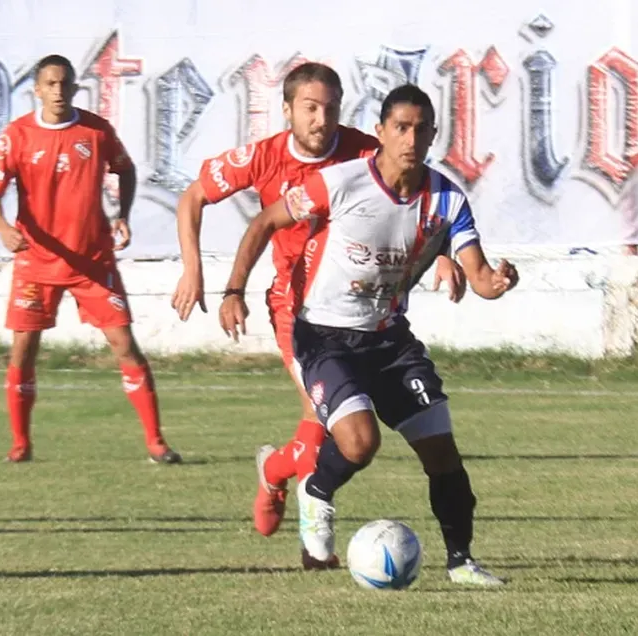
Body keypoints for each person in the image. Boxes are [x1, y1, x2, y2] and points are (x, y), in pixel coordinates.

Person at [219, 84, 518, 585]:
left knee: (441, 452)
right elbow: (266, 220)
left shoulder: (446, 199)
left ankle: (462, 562)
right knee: (360, 443)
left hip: (389, 340)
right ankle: (316, 489)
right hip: (324, 336)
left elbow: (482, 279)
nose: (411, 138)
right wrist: (233, 289)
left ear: (433, 136)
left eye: (422, 129)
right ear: (380, 132)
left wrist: (502, 281)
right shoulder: (340, 183)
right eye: (401, 127)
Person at [171, 63, 466, 562]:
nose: (321, 119)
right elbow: (193, 198)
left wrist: (441, 251)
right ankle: (311, 530)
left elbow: (410, 200)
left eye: (330, 108)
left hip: (359, 312)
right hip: (295, 307)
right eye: (310, 108)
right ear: (287, 110)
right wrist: (196, 272)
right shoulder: (261, 157)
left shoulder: (364, 151)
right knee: (329, 422)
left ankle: (279, 472)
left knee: (332, 424)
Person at [0, 54, 181, 465]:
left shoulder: (95, 131)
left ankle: (156, 442)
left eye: (64, 83)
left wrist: (121, 214)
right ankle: (21, 443)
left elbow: (125, 170)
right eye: (49, 84)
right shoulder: (17, 136)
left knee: (125, 345)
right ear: (36, 89)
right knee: (23, 350)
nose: (57, 91)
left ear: (74, 88)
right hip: (37, 262)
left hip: (92, 261)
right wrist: (2, 227)